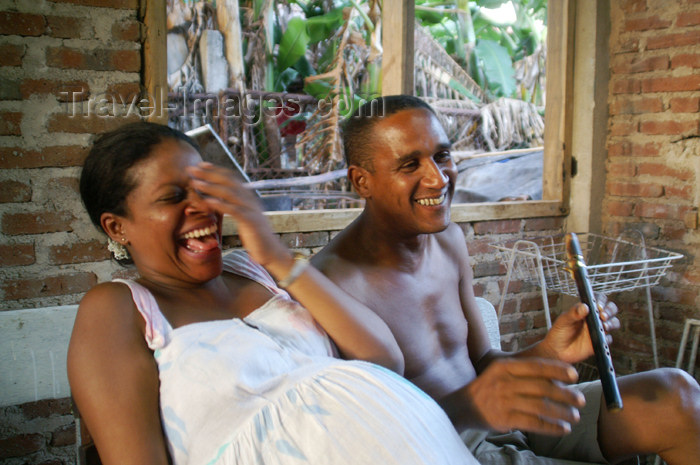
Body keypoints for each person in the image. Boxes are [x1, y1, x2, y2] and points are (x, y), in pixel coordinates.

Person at [312, 95, 700, 465]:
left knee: (677, 395)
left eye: (442, 156)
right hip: (449, 447)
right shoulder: (328, 283)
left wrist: (550, 351)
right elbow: (371, 439)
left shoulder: (448, 241)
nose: (437, 178)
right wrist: (476, 407)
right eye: (410, 165)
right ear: (362, 182)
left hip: (509, 419)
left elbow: (484, 362)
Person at [67, 121, 481, 465]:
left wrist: (276, 255)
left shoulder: (258, 271)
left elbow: (383, 359)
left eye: (205, 189)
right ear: (117, 227)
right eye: (173, 197)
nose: (202, 207)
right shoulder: (118, 309)